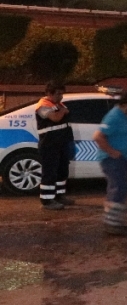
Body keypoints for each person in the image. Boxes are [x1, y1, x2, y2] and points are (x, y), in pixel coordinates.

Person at [94, 90, 127, 235]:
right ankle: (111, 224)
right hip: (112, 160)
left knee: (121, 187)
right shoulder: (114, 117)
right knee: (117, 188)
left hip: (121, 159)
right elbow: (98, 136)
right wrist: (113, 152)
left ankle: (116, 222)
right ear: (125, 104)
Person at [36, 81, 76, 210]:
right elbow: (55, 118)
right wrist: (63, 111)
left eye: (62, 93)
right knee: (50, 172)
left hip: (61, 143)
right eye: (58, 93)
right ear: (49, 93)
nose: (61, 96)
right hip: (49, 144)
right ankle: (47, 201)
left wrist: (62, 109)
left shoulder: (58, 104)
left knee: (62, 171)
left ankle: (59, 195)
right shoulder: (43, 105)